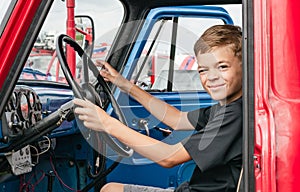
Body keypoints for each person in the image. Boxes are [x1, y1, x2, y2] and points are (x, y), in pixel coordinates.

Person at [73, 24, 243, 192]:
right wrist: (125, 85)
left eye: (222, 67)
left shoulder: (234, 114)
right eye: (203, 70)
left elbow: (169, 157)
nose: (212, 77)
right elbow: (177, 119)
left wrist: (107, 123)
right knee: (110, 189)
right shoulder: (225, 108)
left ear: (247, 66)